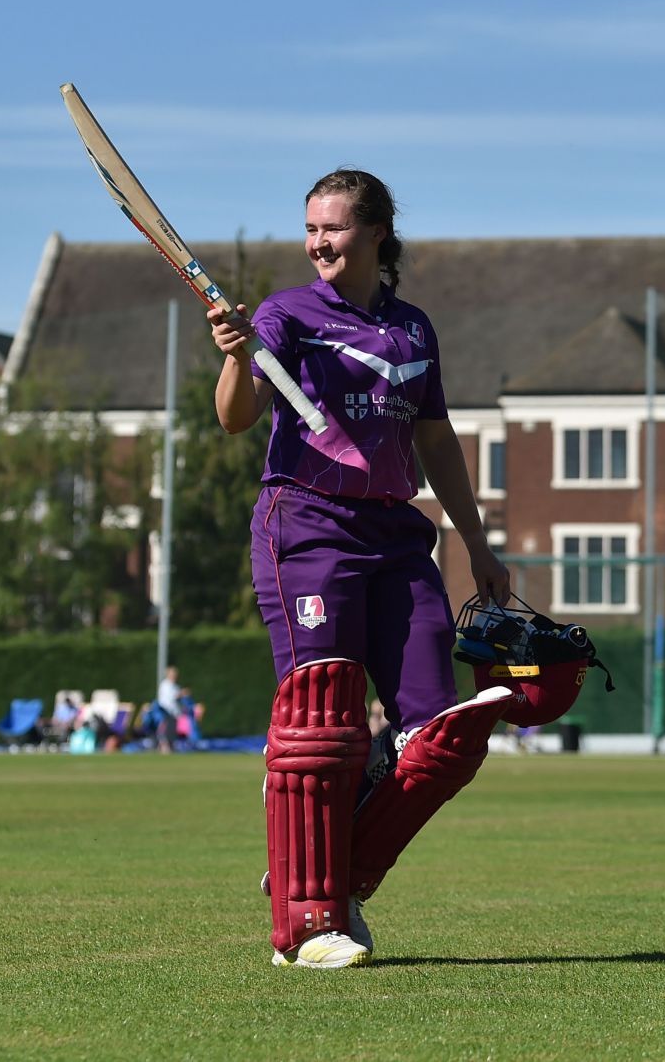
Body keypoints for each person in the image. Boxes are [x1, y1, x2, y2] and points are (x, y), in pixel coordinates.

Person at [209, 168, 511, 971]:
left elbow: (437, 440)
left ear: (377, 233)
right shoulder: (285, 316)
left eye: (333, 228)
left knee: (440, 736)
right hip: (306, 523)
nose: (317, 243)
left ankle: (328, 877)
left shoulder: (413, 329)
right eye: (309, 229)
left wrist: (476, 542)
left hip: (396, 533)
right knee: (322, 725)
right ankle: (308, 922)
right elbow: (236, 416)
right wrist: (238, 357)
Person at [154, 666, 182, 754]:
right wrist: (181, 694)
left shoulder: (175, 686)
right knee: (167, 729)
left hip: (173, 712)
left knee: (172, 730)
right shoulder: (165, 685)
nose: (174, 676)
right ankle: (164, 746)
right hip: (165, 710)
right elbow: (170, 698)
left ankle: (170, 746)